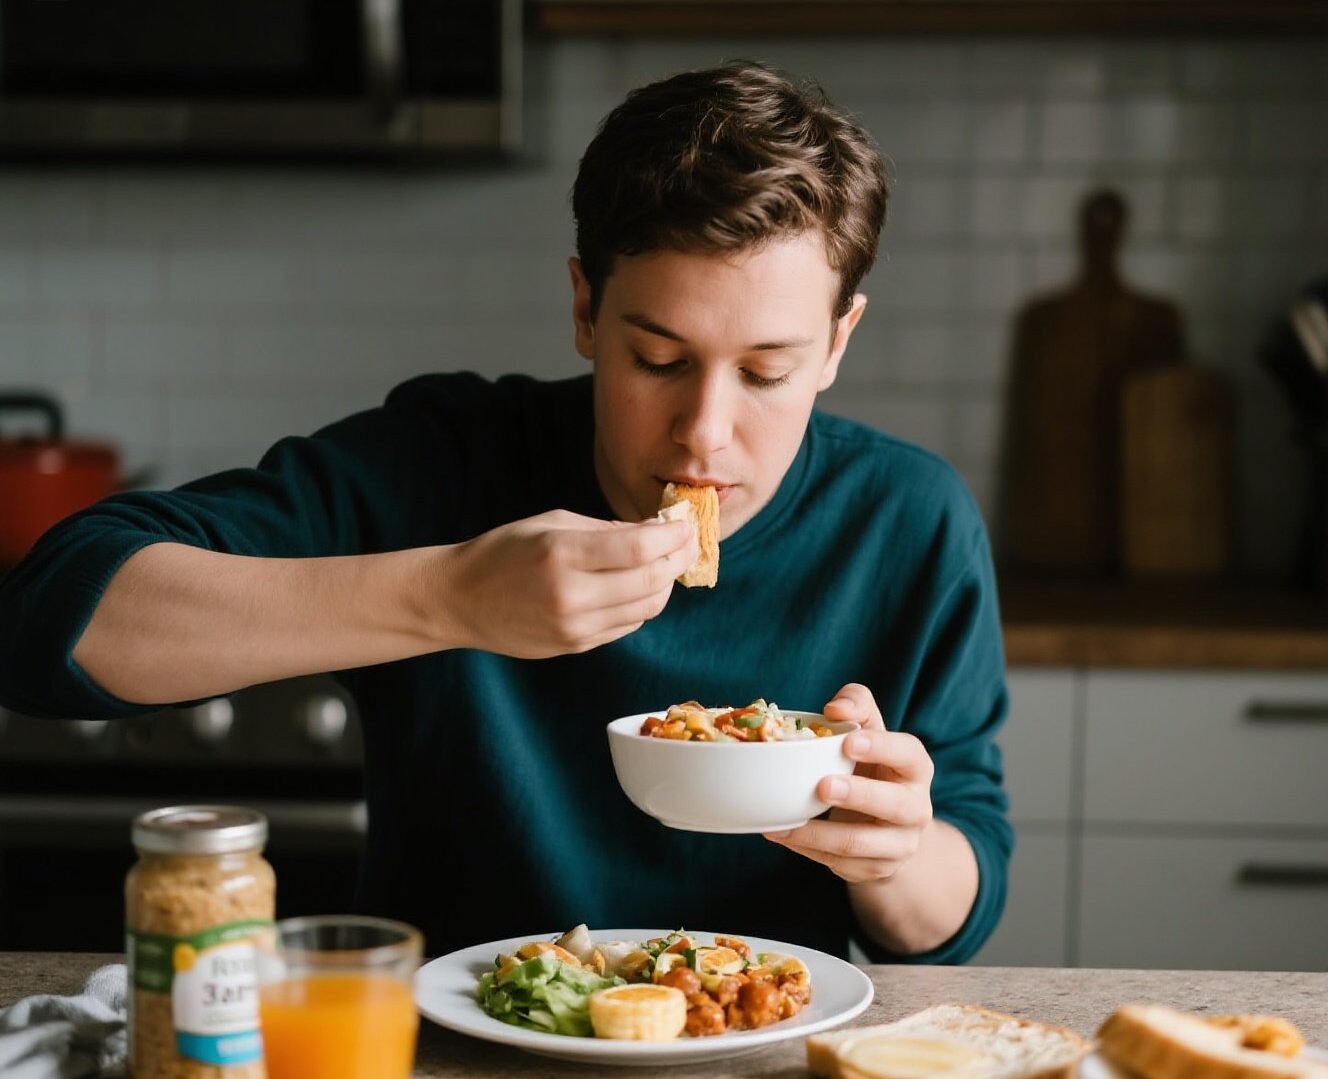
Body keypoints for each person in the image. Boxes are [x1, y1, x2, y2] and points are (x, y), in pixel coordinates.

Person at [0, 62, 1011, 963]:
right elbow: (50, 624)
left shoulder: (906, 518)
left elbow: (957, 905)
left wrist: (893, 853)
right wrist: (449, 596)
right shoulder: (443, 459)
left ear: (837, 344)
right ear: (583, 309)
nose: (704, 431)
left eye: (766, 371)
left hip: (766, 1073)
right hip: (440, 1067)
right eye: (656, 360)